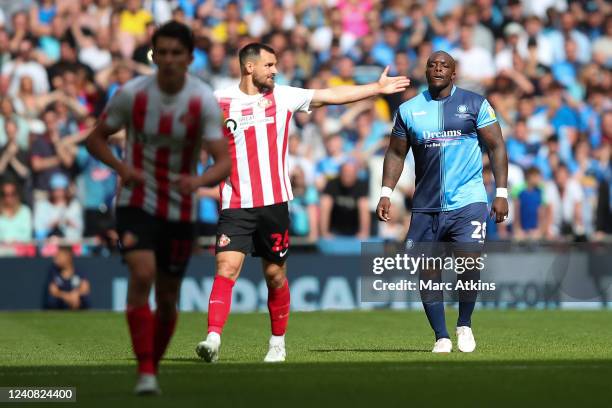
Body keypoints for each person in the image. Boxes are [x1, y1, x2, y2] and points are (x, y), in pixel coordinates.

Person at [195, 42, 410, 363]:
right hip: (236, 203)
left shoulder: (282, 96)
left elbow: (329, 96)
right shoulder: (218, 101)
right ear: (249, 67)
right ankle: (213, 338)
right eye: (269, 65)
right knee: (226, 268)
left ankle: (277, 342)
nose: (275, 70)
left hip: (275, 204)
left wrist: (375, 89)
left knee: (275, 276)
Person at [85, 21, 230, 395]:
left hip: (180, 207)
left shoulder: (201, 100)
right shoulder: (132, 94)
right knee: (142, 273)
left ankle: (152, 366)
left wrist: (198, 182)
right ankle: (146, 373)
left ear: (189, 57)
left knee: (167, 299)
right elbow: (95, 139)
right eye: (161, 53)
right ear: (154, 55)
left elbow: (222, 161)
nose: (167, 60)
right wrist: (122, 168)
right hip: (136, 201)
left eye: (175, 53)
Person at [377, 51, 508, 353]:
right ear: (425, 71)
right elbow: (396, 153)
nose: (437, 68)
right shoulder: (409, 110)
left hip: (469, 201)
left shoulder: (476, 105)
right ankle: (441, 336)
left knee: (469, 262)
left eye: (444, 65)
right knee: (428, 271)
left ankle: (464, 324)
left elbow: (497, 146)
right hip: (426, 205)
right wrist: (386, 192)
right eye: (432, 64)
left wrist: (501, 193)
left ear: (454, 74)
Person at [45, 245, 91, 310]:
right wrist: (66, 296)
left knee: (85, 298)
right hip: (61, 303)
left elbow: (85, 288)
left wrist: (76, 294)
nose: (56, 258)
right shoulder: (53, 272)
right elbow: (53, 291)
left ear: (68, 256)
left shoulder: (78, 271)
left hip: (76, 302)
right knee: (52, 300)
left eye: (60, 256)